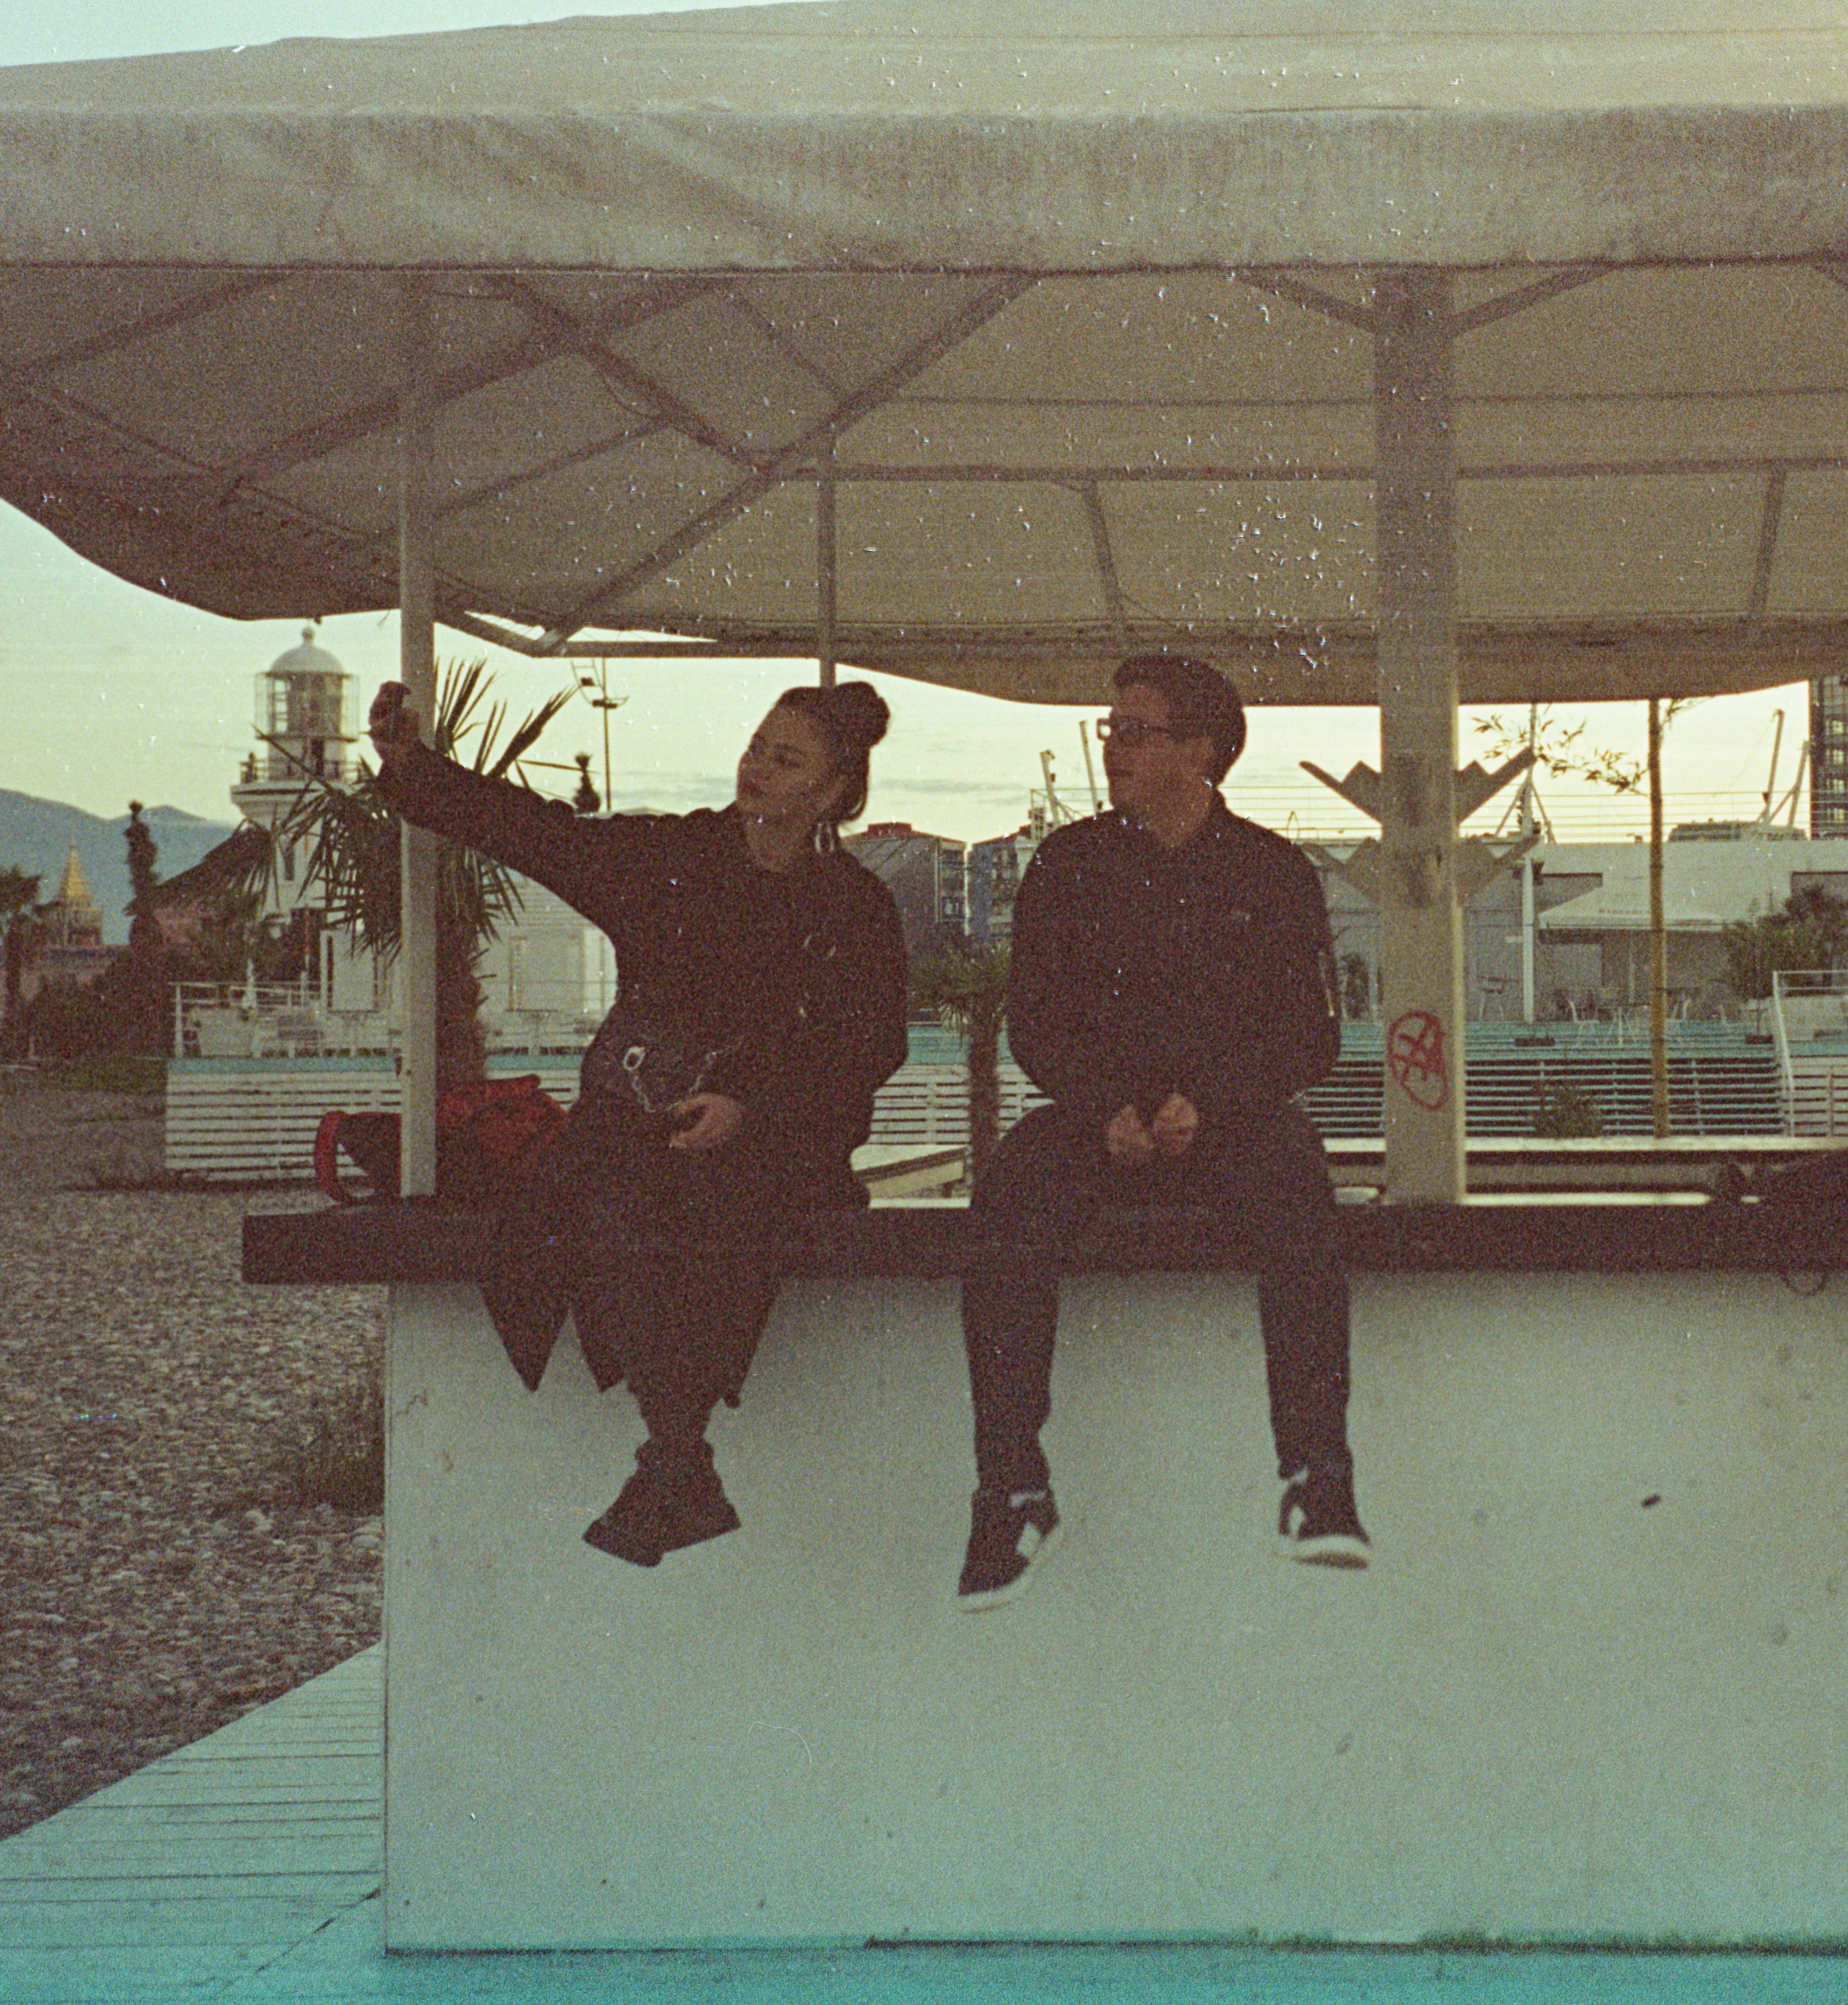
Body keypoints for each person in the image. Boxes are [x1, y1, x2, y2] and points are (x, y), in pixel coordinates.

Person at [366, 674, 906, 1568]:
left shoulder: (855, 907)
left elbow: (868, 1048)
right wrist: (412, 770)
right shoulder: (676, 857)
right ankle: (678, 1457)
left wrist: (749, 1111)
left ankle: (674, 1462)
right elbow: (539, 835)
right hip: (639, 1124)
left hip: (772, 1145)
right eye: (756, 748)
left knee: (714, 1202)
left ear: (837, 790)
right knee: (606, 1192)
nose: (757, 770)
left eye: (787, 760)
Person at [955, 653, 1360, 1608]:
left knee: (1301, 1190)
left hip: (1236, 1124)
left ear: (1201, 751)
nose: (1113, 750)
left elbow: (1313, 1035)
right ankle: (1010, 1487)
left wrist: (1211, 1105)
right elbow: (1037, 1025)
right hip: (1098, 1126)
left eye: (1134, 732)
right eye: (1111, 731)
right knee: (1008, 1197)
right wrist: (1105, 1113)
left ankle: (1318, 1479)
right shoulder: (1069, 865)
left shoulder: (1272, 871)